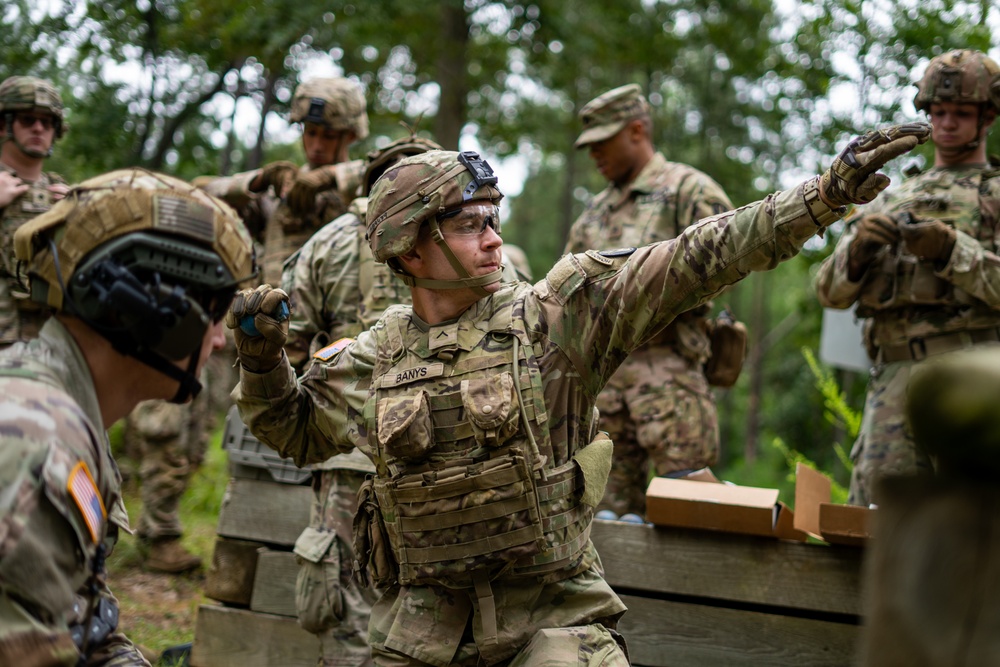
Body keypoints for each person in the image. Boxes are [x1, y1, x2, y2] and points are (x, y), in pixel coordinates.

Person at [228, 125, 928, 667]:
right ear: (411, 247)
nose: (495, 239)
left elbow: (697, 255)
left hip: (553, 624)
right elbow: (294, 431)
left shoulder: (556, 316)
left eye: (495, 218)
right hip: (421, 632)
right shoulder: (373, 357)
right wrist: (260, 359)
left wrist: (824, 194)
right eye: (471, 223)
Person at [0, 167, 256, 666]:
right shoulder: (36, 444)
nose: (220, 339)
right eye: (213, 310)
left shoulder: (69, 418)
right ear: (143, 310)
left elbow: (86, 627)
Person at [815, 49, 1000, 506]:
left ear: (988, 117)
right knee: (877, 527)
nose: (947, 122)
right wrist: (857, 252)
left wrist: (950, 249)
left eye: (961, 113)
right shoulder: (889, 198)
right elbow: (828, 292)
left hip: (976, 382)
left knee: (976, 524)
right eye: (938, 111)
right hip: (894, 385)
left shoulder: (994, 195)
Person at [565, 83, 740, 519]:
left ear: (637, 131)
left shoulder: (690, 191)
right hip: (606, 387)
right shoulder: (594, 214)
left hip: (670, 381)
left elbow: (731, 262)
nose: (594, 155)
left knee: (691, 509)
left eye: (602, 143)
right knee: (604, 515)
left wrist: (649, 290)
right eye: (589, 147)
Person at [201, 76, 370, 286]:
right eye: (311, 133)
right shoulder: (280, 191)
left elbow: (405, 169)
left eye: (328, 136)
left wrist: (334, 176)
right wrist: (259, 180)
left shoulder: (369, 185)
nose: (317, 145)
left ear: (350, 136)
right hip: (273, 313)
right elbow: (199, 196)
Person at [0, 75, 71, 349]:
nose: (39, 128)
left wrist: (81, 214)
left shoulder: (64, 194)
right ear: (3, 125)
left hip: (50, 340)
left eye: (47, 122)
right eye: (27, 120)